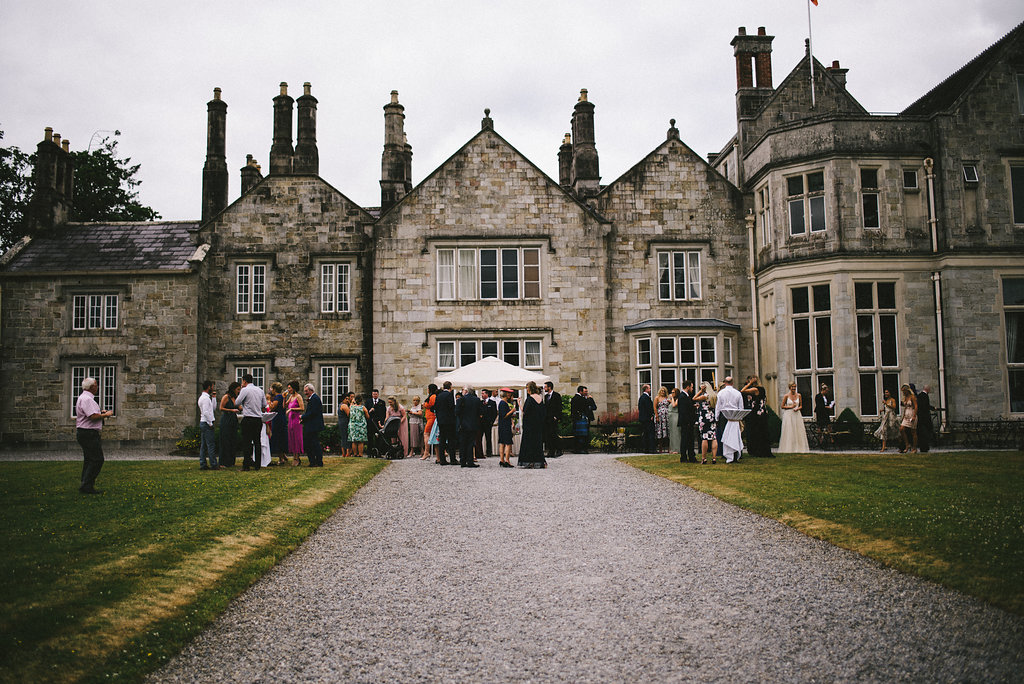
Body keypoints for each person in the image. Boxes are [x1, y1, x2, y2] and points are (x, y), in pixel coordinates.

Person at [75, 377, 113, 494]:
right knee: (97, 459)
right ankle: (87, 485)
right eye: (96, 385)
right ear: (92, 387)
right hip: (88, 433)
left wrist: (100, 413)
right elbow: (92, 416)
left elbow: (91, 414)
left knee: (89, 459)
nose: (97, 387)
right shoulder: (87, 399)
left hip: (85, 432)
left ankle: (85, 483)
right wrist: (106, 414)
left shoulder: (84, 398)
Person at [235, 374, 267, 471]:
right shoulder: (260, 390)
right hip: (258, 419)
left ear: (244, 381)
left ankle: (246, 465)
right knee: (257, 442)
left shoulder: (245, 390)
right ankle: (257, 465)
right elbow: (264, 404)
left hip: (248, 418)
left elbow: (237, 402)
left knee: (247, 442)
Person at [715, 376, 745, 463]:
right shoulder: (737, 393)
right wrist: (740, 418)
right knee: (735, 435)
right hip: (735, 416)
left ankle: (727, 454)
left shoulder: (721, 393)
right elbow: (741, 407)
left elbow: (718, 407)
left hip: (724, 416)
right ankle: (735, 454)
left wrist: (716, 418)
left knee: (725, 435)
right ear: (732, 383)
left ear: (725, 383)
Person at [741, 376, 773, 458]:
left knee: (757, 432)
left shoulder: (756, 389)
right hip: (762, 412)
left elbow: (742, 391)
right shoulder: (762, 389)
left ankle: (757, 450)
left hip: (757, 413)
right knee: (762, 432)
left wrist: (749, 384)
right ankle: (762, 450)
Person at [518, 381, 547, 468]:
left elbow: (525, 411)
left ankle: (530, 461)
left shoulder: (530, 399)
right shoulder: (540, 398)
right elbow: (543, 412)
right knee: (537, 443)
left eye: (527, 388)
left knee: (529, 442)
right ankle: (539, 461)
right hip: (538, 424)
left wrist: (519, 403)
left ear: (530, 389)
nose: (526, 390)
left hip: (530, 425)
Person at [778, 382, 810, 453]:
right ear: (789, 387)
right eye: (792, 387)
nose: (793, 388)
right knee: (789, 431)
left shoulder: (799, 395)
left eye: (794, 387)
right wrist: (791, 407)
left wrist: (797, 408)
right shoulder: (786, 396)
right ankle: (789, 448)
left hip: (796, 414)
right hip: (788, 415)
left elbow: (801, 406)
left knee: (797, 430)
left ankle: (799, 448)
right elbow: (782, 406)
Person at [455, 387, 482, 467]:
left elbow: (456, 412)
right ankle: (470, 461)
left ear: (466, 391)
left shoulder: (461, 400)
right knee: (471, 443)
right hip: (473, 424)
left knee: (463, 443)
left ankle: (463, 461)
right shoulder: (477, 400)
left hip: (463, 424)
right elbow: (480, 412)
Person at [693, 381, 718, 464]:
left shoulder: (705, 396)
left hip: (704, 417)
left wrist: (700, 391)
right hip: (712, 416)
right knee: (713, 437)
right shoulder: (714, 395)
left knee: (705, 437)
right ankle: (714, 458)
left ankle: (704, 458)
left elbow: (694, 398)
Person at [197, 380, 220, 471]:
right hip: (206, 423)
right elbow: (206, 412)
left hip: (204, 422)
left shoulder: (206, 398)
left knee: (204, 445)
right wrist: (210, 423)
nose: (213, 388)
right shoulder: (205, 399)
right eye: (212, 386)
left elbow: (213, 408)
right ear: (209, 387)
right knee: (210, 445)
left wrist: (214, 398)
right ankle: (213, 464)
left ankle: (203, 463)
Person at [434, 381, 458, 465]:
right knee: (451, 440)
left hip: (441, 420)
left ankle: (442, 459)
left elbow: (436, 408)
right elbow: (451, 407)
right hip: (449, 421)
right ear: (450, 387)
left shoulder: (439, 395)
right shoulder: (449, 395)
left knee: (442, 440)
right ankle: (453, 459)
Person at [301, 383, 325, 467]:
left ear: (311, 390)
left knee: (312, 444)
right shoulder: (313, 398)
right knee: (312, 444)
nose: (305, 393)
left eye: (306, 391)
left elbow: (313, 413)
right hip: (311, 425)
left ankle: (316, 461)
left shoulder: (314, 399)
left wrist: (302, 416)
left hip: (313, 426)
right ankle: (315, 461)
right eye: (305, 391)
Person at [218, 382, 240, 467]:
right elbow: (221, 408)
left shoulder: (235, 398)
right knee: (225, 440)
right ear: (233, 389)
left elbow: (239, 407)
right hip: (226, 420)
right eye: (238, 389)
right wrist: (231, 410)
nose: (238, 391)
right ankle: (223, 462)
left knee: (232, 440)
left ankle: (231, 461)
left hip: (233, 420)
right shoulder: (226, 397)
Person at [570, 386, 597, 453]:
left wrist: (590, 400)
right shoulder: (577, 398)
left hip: (585, 418)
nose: (586, 393)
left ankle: (583, 449)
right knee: (580, 434)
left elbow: (594, 407)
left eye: (587, 391)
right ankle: (579, 449)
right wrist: (589, 400)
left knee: (584, 434)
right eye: (585, 391)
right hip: (579, 418)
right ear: (580, 391)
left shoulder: (585, 398)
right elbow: (583, 405)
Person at [285, 381, 305, 466]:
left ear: (294, 388)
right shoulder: (290, 396)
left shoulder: (298, 396)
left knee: (297, 438)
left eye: (289, 388)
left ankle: (297, 457)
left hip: (296, 420)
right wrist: (284, 398)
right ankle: (294, 457)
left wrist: (292, 409)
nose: (288, 390)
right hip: (290, 420)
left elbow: (302, 408)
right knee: (292, 438)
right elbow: (285, 406)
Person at [268, 382, 288, 465]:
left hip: (278, 419)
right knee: (280, 437)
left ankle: (281, 458)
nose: (270, 390)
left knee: (278, 437)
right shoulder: (280, 397)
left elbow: (272, 408)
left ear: (275, 389)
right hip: (280, 418)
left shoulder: (278, 397)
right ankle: (283, 456)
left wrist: (269, 400)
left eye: (271, 388)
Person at [542, 382, 563, 459]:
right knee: (548, 435)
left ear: (549, 387)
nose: (544, 388)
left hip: (553, 418)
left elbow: (559, 407)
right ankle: (551, 451)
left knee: (554, 434)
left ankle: (559, 450)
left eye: (545, 387)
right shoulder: (546, 396)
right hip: (547, 419)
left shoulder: (556, 395)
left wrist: (556, 417)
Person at [677, 380, 697, 463]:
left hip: (688, 422)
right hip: (686, 422)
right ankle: (684, 457)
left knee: (690, 440)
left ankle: (691, 456)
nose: (692, 389)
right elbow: (683, 411)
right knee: (685, 440)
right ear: (688, 387)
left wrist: (693, 406)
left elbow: (687, 408)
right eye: (691, 387)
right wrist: (688, 422)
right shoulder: (682, 397)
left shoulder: (687, 396)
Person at [497, 389, 516, 468]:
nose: (509, 395)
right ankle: (507, 460)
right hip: (505, 425)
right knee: (508, 443)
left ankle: (502, 460)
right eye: (508, 393)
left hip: (502, 425)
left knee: (502, 443)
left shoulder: (502, 403)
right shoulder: (503, 403)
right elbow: (504, 415)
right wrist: (512, 411)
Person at [479, 389, 498, 458]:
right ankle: (480, 452)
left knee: (488, 438)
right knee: (479, 438)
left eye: (483, 393)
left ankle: (489, 452)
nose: (482, 395)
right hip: (481, 423)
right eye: (482, 393)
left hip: (488, 423)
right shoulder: (480, 402)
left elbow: (494, 413)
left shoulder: (492, 403)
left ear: (487, 394)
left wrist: (491, 422)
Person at [421, 384, 438, 461]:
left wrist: (425, 405)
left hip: (432, 417)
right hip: (430, 417)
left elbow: (433, 405)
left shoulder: (433, 396)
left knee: (426, 433)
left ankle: (426, 452)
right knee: (432, 434)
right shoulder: (432, 396)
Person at [638, 384, 656, 454]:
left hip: (643, 418)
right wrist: (651, 415)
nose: (650, 390)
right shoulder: (645, 398)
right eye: (649, 388)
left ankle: (646, 449)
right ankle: (651, 449)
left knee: (646, 434)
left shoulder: (641, 397)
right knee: (650, 433)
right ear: (646, 389)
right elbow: (648, 408)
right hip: (647, 419)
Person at [900, 384, 918, 453]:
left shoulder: (912, 397)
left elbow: (916, 406)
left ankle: (914, 447)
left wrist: (914, 416)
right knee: (901, 429)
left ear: (907, 390)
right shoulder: (905, 398)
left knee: (913, 432)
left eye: (904, 391)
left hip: (912, 414)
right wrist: (903, 416)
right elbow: (905, 407)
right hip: (906, 415)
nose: (903, 393)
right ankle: (907, 444)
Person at [916, 384, 934, 453]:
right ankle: (924, 447)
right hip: (924, 418)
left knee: (921, 433)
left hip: (920, 418)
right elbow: (925, 406)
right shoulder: (925, 396)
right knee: (925, 433)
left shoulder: (919, 395)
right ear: (928, 389)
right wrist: (932, 408)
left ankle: (923, 447)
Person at [655, 386, 671, 453]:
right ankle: (660, 448)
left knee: (668, 432)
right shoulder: (657, 398)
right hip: (660, 415)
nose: (662, 392)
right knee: (660, 432)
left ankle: (668, 448)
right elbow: (655, 407)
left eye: (664, 391)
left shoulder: (667, 398)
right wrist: (657, 416)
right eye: (661, 391)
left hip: (667, 415)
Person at [337, 393, 352, 457]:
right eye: (346, 399)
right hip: (344, 423)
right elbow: (349, 414)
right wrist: (351, 405)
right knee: (346, 438)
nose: (347, 400)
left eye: (348, 399)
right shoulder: (344, 406)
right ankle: (347, 453)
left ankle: (344, 453)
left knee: (343, 437)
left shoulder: (340, 405)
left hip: (341, 422)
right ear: (343, 399)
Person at [668, 388, 681, 456]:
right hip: (671, 417)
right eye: (671, 392)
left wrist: (672, 398)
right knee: (672, 433)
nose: (672, 393)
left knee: (676, 433)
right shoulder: (673, 400)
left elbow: (674, 405)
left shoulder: (678, 399)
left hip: (675, 416)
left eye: (673, 392)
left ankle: (676, 449)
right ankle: (672, 448)